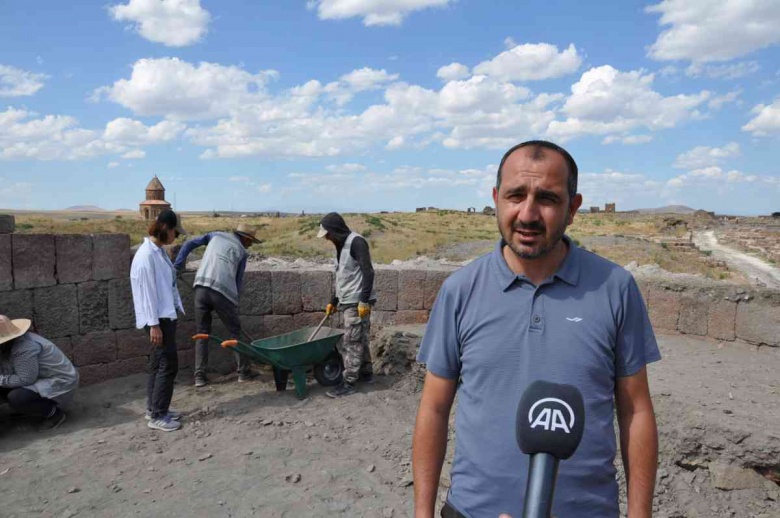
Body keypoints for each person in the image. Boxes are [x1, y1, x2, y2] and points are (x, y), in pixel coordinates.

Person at [412, 141, 661, 518]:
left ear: (573, 208)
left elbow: (635, 410)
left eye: (546, 198)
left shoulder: (615, 288)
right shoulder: (460, 291)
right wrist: (422, 513)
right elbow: (433, 408)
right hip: (473, 511)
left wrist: (640, 514)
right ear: (496, 198)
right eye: (515, 195)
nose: (527, 214)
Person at [174, 223, 261, 387]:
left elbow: (189, 243)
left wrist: (178, 265)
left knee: (201, 333)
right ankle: (244, 372)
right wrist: (234, 304)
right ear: (245, 238)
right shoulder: (242, 252)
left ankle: (199, 376)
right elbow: (237, 281)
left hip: (200, 287)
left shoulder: (215, 235)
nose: (250, 245)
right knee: (235, 331)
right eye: (250, 241)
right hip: (222, 292)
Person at [131, 209, 187, 432]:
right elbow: (146, 293)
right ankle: (158, 415)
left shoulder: (158, 252)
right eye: (176, 232)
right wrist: (153, 325)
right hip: (157, 319)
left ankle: (154, 408)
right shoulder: (146, 256)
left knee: (158, 363)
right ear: (165, 227)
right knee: (167, 364)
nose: (177, 236)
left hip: (164, 316)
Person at [317, 212, 376, 398]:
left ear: (335, 230)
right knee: (361, 337)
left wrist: (364, 301)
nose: (327, 238)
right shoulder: (341, 245)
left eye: (328, 234)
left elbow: (369, 272)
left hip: (356, 301)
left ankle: (349, 382)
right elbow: (343, 276)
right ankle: (366, 373)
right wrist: (333, 301)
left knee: (351, 341)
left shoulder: (357, 242)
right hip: (347, 299)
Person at [0, 315, 78, 431]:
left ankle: (54, 414)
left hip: (60, 383)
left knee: (17, 397)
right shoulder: (8, 347)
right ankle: (28, 410)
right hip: (38, 377)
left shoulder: (23, 347)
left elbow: (26, 379)